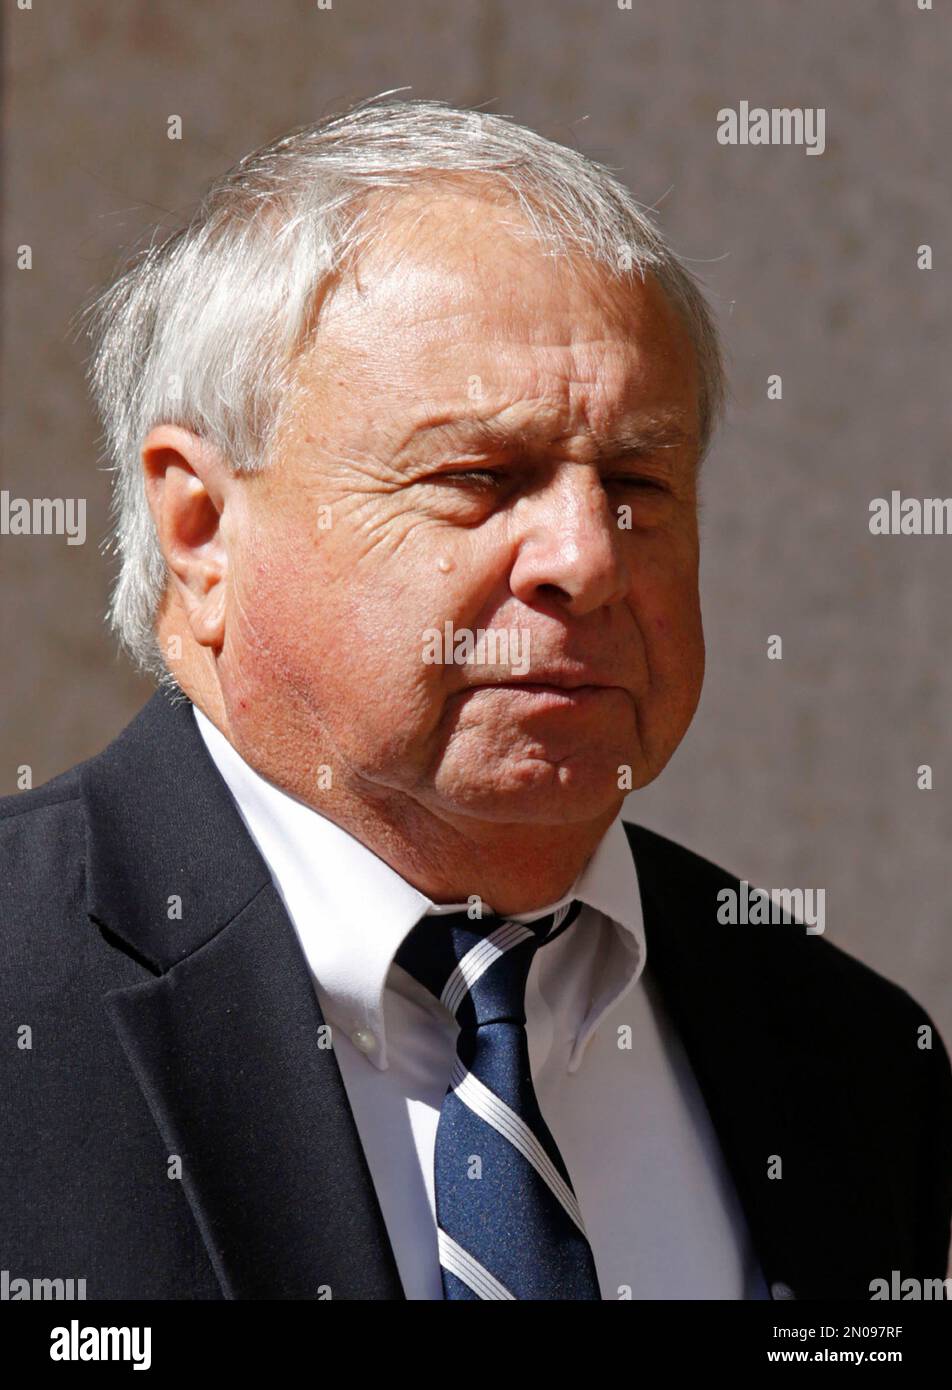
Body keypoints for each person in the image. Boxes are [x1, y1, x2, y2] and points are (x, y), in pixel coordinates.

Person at [1, 96, 949, 1301]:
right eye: (479, 477)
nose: (585, 559)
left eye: (636, 482)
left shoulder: (847, 1059)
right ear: (200, 532)